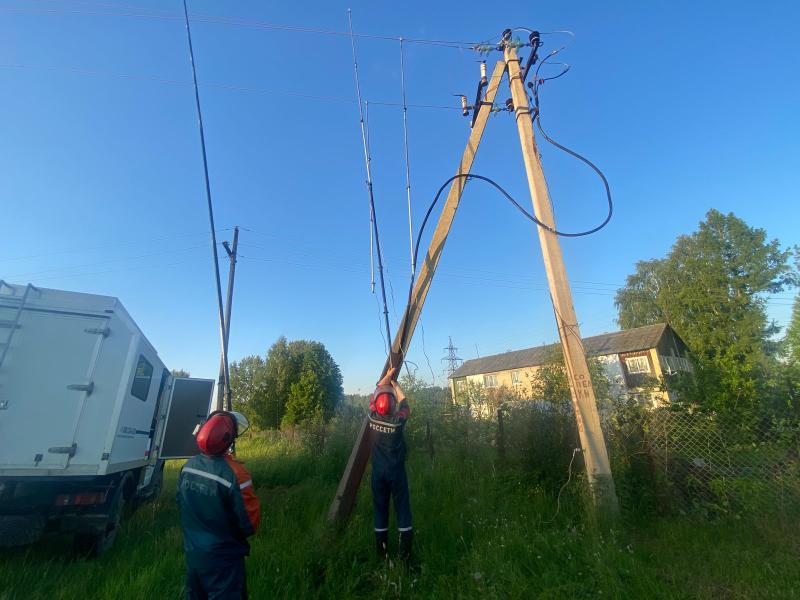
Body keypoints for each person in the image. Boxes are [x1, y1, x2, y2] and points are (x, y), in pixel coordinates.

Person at [177, 410, 261, 600]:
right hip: (224, 560)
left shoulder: (188, 466)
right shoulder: (237, 475)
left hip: (194, 554)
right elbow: (249, 524)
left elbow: (180, 503)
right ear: (228, 439)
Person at [368, 367, 413, 564]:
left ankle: (382, 553)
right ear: (393, 404)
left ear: (377, 406)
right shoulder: (398, 421)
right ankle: (404, 555)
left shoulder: (371, 417)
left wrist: (387, 377)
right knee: (402, 508)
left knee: (380, 509)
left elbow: (375, 392)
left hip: (378, 473)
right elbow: (406, 405)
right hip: (396, 472)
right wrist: (396, 385)